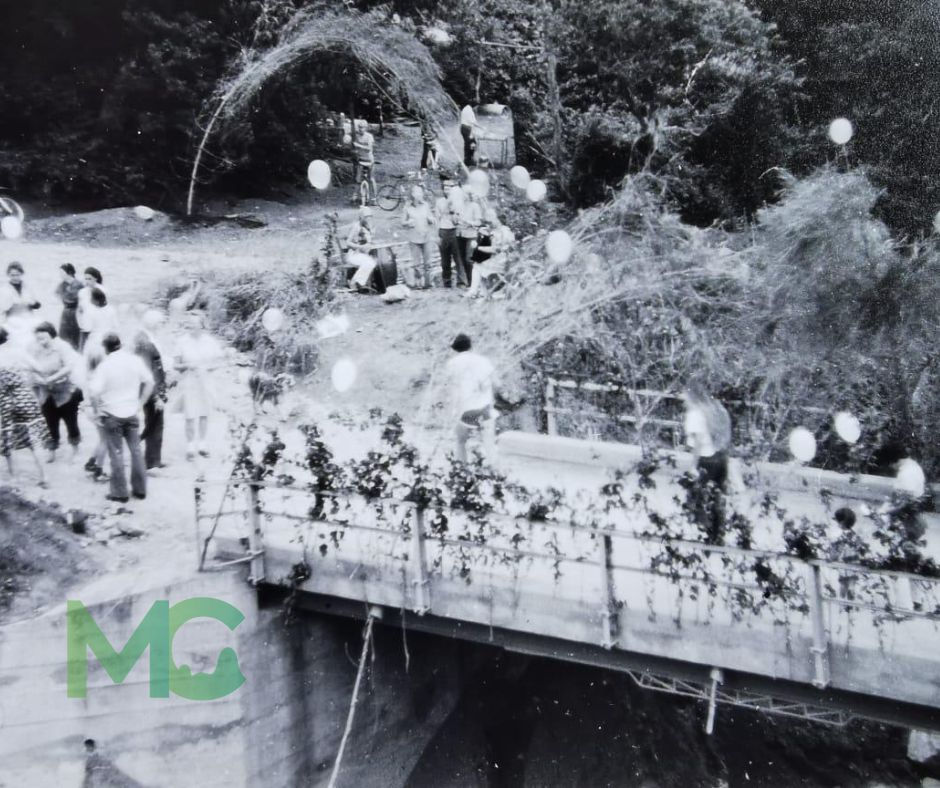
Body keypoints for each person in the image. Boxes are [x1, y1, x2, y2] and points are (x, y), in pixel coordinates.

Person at [88, 333, 153, 503]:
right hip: (131, 411)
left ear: (105, 348)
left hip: (112, 413)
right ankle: (140, 490)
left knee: (116, 453)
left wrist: (97, 411)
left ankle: (120, 493)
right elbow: (150, 382)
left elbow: (93, 392)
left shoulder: (105, 366)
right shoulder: (134, 360)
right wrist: (141, 403)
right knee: (136, 451)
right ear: (120, 344)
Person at [682, 383, 732, 543]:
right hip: (720, 458)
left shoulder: (694, 413)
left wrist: (692, 465)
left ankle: (704, 534)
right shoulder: (715, 409)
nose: (682, 399)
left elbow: (697, 442)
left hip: (705, 460)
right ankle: (717, 534)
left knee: (700, 498)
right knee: (717, 497)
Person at [0, 327, 49, 485]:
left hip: (5, 400)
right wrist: (23, 370)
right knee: (34, 439)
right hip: (25, 397)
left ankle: (15, 479)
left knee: (9, 440)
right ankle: (44, 477)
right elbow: (40, 369)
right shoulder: (18, 352)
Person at [171, 313, 223, 460]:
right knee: (190, 414)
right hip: (189, 381)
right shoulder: (181, 341)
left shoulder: (210, 341)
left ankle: (202, 444)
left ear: (202, 325)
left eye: (195, 324)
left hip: (206, 381)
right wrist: (187, 365)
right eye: (189, 324)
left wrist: (209, 367)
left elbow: (219, 361)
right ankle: (190, 446)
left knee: (204, 413)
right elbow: (176, 365)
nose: (192, 327)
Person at [31, 322, 83, 462]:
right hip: (46, 393)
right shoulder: (35, 349)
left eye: (43, 337)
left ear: (51, 334)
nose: (41, 340)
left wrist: (52, 378)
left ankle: (75, 449)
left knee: (71, 422)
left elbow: (69, 366)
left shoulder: (62, 347)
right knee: (49, 423)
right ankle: (52, 451)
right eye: (38, 338)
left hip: (66, 391)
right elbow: (31, 368)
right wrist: (39, 379)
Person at [444, 333, 498, 464]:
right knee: (489, 443)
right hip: (485, 408)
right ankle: (496, 474)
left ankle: (462, 470)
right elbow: (496, 383)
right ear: (470, 345)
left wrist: (452, 411)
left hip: (465, 409)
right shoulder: (483, 360)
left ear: (454, 349)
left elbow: (453, 389)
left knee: (460, 441)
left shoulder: (452, 364)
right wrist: (492, 400)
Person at [134, 327, 167, 470]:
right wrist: (157, 396)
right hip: (151, 392)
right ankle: (152, 462)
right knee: (155, 425)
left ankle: (153, 460)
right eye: (160, 323)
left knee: (152, 424)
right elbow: (151, 374)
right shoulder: (146, 345)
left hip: (149, 391)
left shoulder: (144, 344)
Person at [467, 213, 514, 299]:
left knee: (477, 266)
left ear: (498, 221)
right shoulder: (503, 230)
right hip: (501, 259)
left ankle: (475, 291)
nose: (491, 222)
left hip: (500, 262)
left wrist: (478, 247)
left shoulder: (502, 232)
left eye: (494, 220)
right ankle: (482, 292)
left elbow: (495, 249)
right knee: (478, 264)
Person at [402, 185, 435, 289]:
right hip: (414, 238)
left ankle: (428, 284)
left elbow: (431, 218)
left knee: (428, 263)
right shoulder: (407, 207)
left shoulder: (426, 205)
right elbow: (402, 222)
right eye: (417, 192)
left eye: (421, 192)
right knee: (416, 264)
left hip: (426, 237)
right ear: (412, 194)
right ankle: (419, 283)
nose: (420, 194)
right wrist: (408, 223)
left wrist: (431, 219)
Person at [435, 180, 464, 288]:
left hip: (454, 230)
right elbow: (437, 218)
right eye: (445, 188)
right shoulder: (440, 201)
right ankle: (447, 281)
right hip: (443, 230)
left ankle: (461, 282)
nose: (447, 190)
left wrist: (453, 212)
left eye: (449, 188)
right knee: (444, 259)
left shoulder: (458, 202)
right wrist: (437, 234)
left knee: (458, 258)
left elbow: (458, 220)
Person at [0, 261, 41, 327]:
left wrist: (32, 303)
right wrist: (9, 303)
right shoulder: (3, 289)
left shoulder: (28, 287)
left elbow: (38, 305)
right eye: (12, 275)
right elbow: (2, 309)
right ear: (8, 274)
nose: (15, 277)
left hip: (28, 319)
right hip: (11, 321)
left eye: (17, 274)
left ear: (21, 274)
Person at [456, 186, 483, 288]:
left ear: (469, 195)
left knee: (469, 259)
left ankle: (474, 283)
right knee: (463, 259)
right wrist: (456, 219)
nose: (463, 196)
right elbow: (456, 220)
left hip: (471, 235)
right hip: (460, 235)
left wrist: (470, 222)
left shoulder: (474, 206)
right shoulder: (459, 206)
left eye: (465, 193)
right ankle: (469, 282)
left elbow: (479, 222)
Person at [56, 263, 84, 349]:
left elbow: (72, 299)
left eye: (62, 272)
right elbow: (57, 294)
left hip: (76, 312)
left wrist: (65, 297)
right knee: (63, 337)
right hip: (66, 313)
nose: (60, 274)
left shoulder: (78, 284)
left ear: (69, 272)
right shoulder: (62, 284)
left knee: (75, 337)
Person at [77, 267, 105, 351]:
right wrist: (80, 323)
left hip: (98, 324)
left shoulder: (102, 290)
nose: (87, 281)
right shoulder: (82, 292)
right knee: (82, 349)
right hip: (85, 323)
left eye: (89, 279)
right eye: (85, 279)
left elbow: (104, 308)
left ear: (96, 278)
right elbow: (79, 309)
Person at [353, 119, 376, 204]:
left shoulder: (369, 136)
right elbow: (356, 148)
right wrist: (356, 151)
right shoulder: (358, 136)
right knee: (358, 179)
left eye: (362, 127)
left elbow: (369, 148)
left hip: (369, 160)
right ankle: (355, 196)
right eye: (359, 127)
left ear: (365, 128)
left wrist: (358, 145)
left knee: (371, 179)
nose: (360, 129)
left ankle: (374, 198)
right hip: (361, 160)